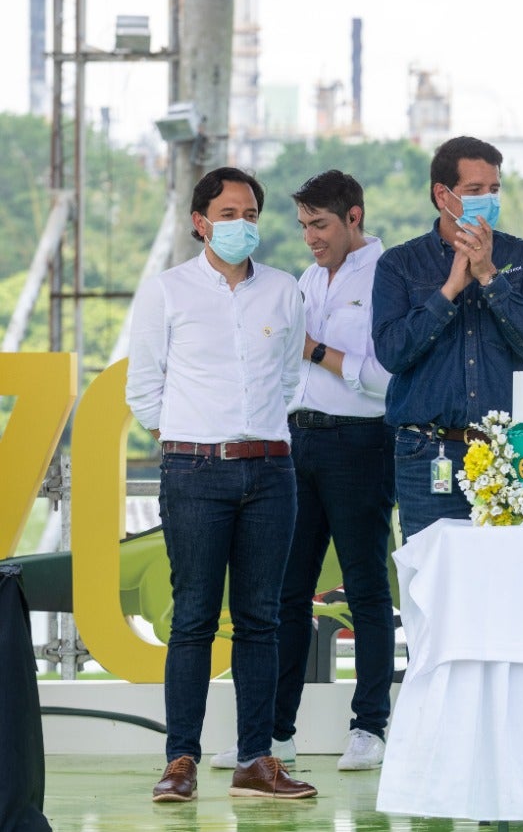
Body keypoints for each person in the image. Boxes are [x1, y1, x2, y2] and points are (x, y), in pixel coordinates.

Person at [126, 166, 317, 802]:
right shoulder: (167, 291)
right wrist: (193, 438)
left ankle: (255, 761)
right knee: (194, 619)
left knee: (261, 619)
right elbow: (144, 391)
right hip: (195, 471)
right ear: (201, 222)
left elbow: (291, 381)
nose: (243, 225)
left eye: (252, 214)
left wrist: (252, 435)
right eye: (229, 213)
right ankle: (180, 760)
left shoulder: (284, 290)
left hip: (270, 471)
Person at [208, 170, 396, 772]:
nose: (309, 237)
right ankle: (272, 735)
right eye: (303, 225)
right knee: (287, 594)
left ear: (354, 217)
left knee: (366, 589)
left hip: (362, 443)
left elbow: (383, 380)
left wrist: (312, 348)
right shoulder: (309, 278)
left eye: (320, 224)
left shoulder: (389, 277)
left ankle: (369, 726)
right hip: (297, 442)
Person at [372, 136, 523, 539]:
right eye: (474, 191)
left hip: (510, 452)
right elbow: (392, 352)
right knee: (432, 581)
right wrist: (450, 288)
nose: (487, 199)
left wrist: (489, 276)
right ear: (443, 195)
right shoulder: (399, 264)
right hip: (427, 453)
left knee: (508, 580)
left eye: (494, 189)